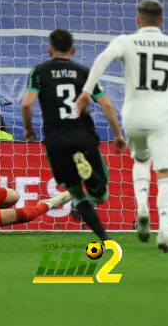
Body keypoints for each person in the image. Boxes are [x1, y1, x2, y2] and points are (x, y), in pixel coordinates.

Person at [75, 0, 168, 254]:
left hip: (133, 117)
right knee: (165, 174)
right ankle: (164, 232)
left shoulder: (125, 41)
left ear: (138, 20)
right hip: (162, 118)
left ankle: (141, 208)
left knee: (140, 160)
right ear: (162, 20)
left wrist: (86, 91)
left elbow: (102, 59)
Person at [20, 28, 126, 244]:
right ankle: (90, 175)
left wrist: (29, 128)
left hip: (56, 139)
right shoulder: (85, 73)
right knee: (100, 190)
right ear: (73, 49)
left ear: (50, 50)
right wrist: (117, 133)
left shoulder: (39, 72)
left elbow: (26, 104)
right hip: (83, 136)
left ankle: (104, 238)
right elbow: (106, 104)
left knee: (77, 194)